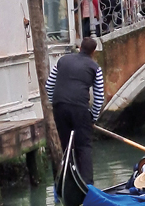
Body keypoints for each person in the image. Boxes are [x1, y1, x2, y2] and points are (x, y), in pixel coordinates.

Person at [45, 37, 105, 184]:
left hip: (59, 107)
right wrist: (93, 117)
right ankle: (87, 185)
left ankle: (70, 182)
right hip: (79, 108)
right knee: (83, 146)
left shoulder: (62, 61)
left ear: (79, 48)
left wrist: (56, 103)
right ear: (93, 52)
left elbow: (49, 86)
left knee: (67, 146)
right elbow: (99, 97)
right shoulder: (95, 68)